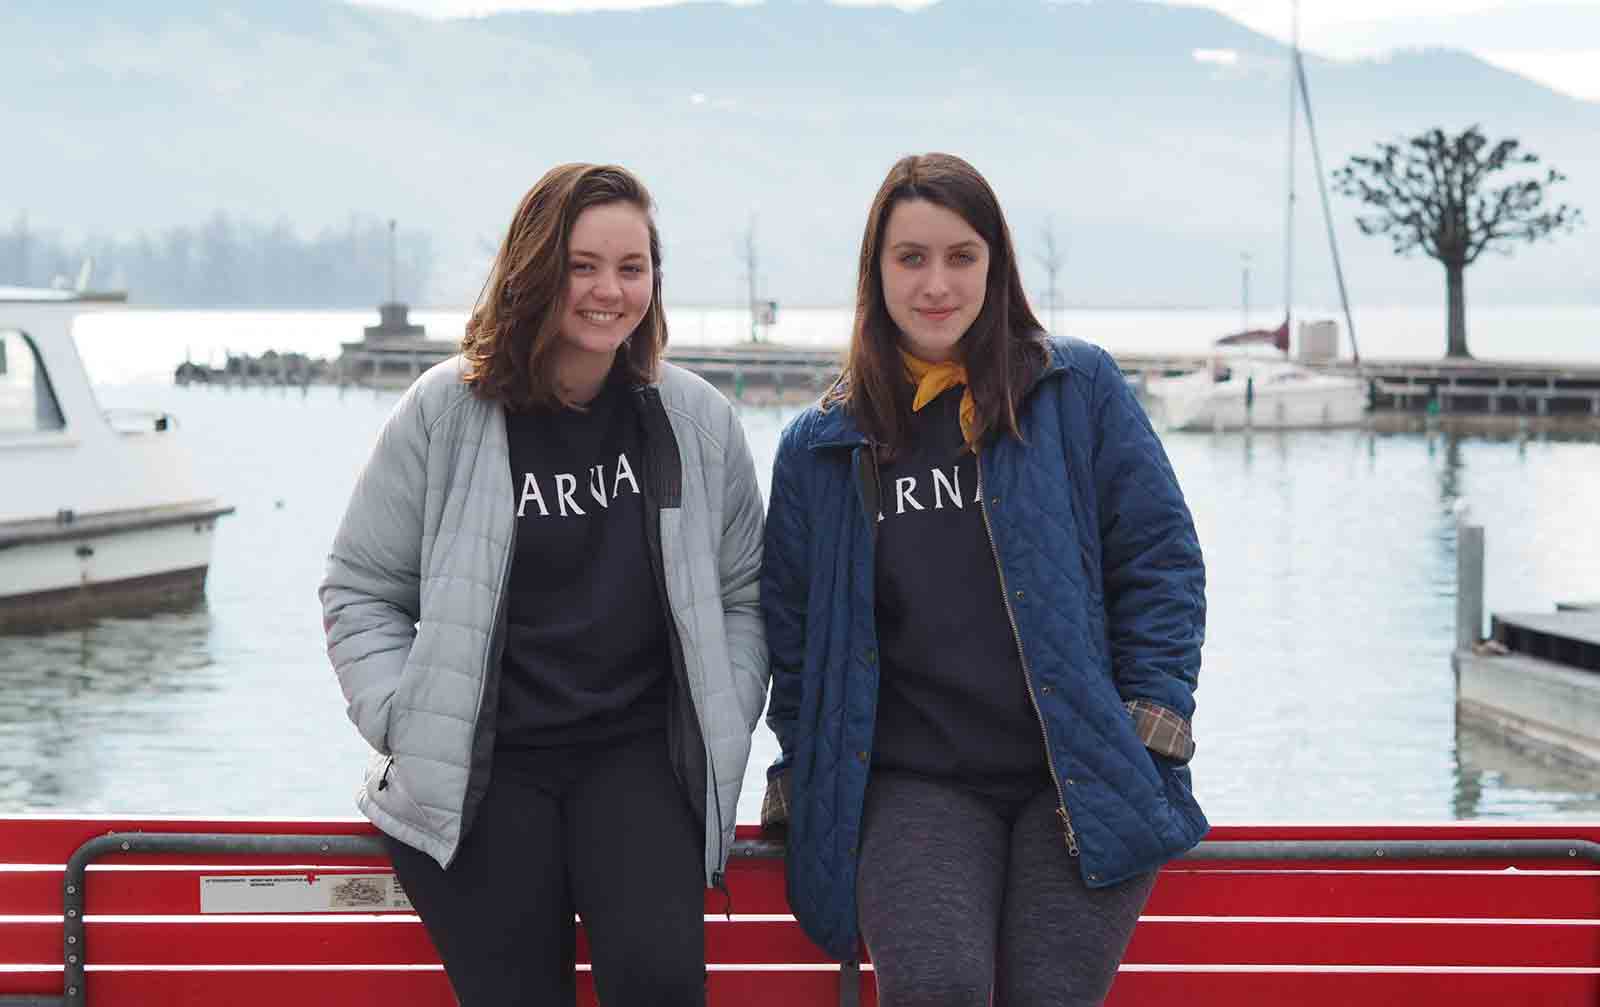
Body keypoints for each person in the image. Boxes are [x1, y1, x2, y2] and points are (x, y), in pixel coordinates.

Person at [760, 153, 1206, 1006]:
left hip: (1075, 770)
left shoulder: (1076, 391)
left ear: (995, 264)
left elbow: (1161, 560)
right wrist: (804, 764)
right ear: (876, 271)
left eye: (961, 256)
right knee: (938, 988)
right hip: (916, 783)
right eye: (911, 257)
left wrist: (1148, 728)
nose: (937, 283)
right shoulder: (823, 444)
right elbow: (792, 631)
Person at [320, 163, 768, 1006]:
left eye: (631, 268)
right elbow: (360, 588)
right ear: (536, 269)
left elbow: (746, 591)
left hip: (639, 758)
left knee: (659, 984)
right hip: (488, 769)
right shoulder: (446, 411)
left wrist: (726, 710)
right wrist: (405, 721)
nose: (609, 290)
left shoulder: (695, 419)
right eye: (583, 265)